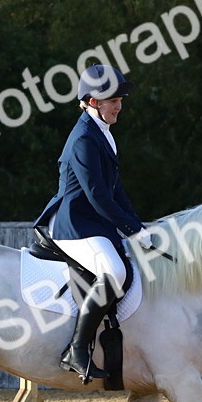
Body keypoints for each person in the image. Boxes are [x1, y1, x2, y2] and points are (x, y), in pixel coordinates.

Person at [33, 65, 154, 382]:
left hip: (93, 222)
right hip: (74, 223)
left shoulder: (104, 134)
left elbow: (117, 191)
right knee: (114, 271)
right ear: (92, 101)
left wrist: (139, 226)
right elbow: (99, 196)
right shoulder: (84, 139)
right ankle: (77, 348)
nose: (119, 105)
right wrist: (131, 230)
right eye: (112, 99)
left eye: (120, 98)